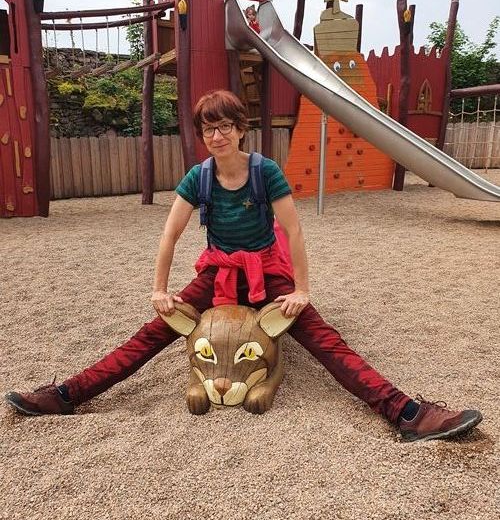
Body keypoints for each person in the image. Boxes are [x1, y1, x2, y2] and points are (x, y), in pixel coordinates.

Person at [5, 90, 482, 442]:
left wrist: (300, 290)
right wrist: (159, 289)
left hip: (266, 269)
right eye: (208, 129)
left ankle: (405, 412)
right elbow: (170, 234)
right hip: (219, 272)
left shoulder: (263, 171)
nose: (217, 136)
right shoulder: (199, 178)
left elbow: (293, 231)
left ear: (239, 129)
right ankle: (68, 395)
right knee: (151, 334)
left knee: (323, 339)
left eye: (224, 127)